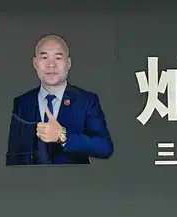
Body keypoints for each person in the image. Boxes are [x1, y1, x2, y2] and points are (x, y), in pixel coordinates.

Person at [6, 34, 114, 165]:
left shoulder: (86, 101)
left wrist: (62, 136)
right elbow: (13, 156)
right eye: (44, 57)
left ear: (68, 63)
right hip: (30, 178)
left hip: (73, 178)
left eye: (58, 58)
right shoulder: (22, 103)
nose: (51, 65)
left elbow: (104, 147)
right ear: (35, 63)